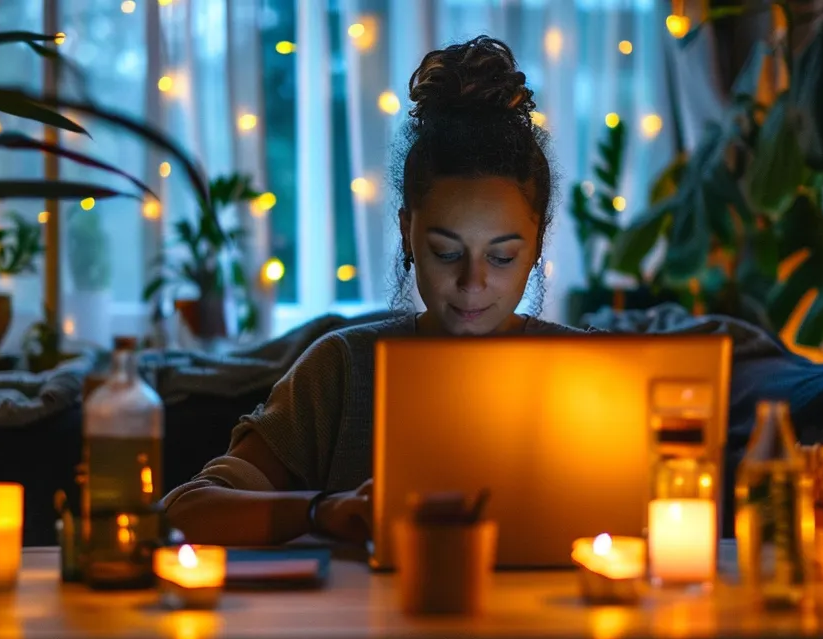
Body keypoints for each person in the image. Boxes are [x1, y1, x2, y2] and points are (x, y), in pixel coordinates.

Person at [162, 35, 583, 546]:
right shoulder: (345, 369)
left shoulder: (596, 373)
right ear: (407, 232)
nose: (473, 283)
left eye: (501, 256)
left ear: (537, 242)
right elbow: (185, 511)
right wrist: (321, 512)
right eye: (447, 252)